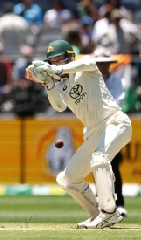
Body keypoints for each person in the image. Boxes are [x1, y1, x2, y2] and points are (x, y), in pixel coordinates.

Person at [25, 40, 132, 229]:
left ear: (70, 57)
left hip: (115, 122)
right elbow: (59, 107)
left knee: (99, 159)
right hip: (94, 133)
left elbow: (88, 62)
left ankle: (109, 212)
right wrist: (48, 84)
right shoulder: (61, 84)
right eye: (52, 61)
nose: (56, 64)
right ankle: (98, 214)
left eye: (59, 60)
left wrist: (54, 71)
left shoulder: (86, 67)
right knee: (67, 178)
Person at [91, 47, 128, 217]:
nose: (102, 67)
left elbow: (115, 106)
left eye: (105, 64)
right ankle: (102, 204)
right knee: (97, 167)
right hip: (93, 131)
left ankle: (119, 204)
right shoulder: (89, 82)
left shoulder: (117, 83)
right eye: (99, 64)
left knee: (113, 167)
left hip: (112, 131)